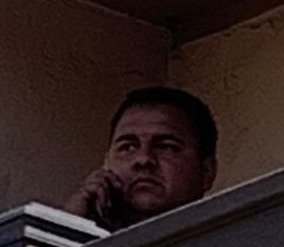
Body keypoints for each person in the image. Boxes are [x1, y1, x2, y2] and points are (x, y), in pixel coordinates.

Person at [72, 85, 218, 231]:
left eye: (166, 147)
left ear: (207, 171)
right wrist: (68, 225)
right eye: (128, 147)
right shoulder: (78, 231)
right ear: (106, 164)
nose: (143, 159)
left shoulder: (235, 245)